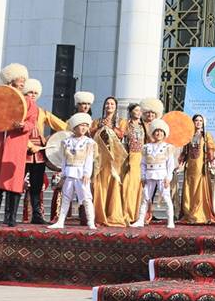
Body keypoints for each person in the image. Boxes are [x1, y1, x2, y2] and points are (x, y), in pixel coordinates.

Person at [0, 63, 39, 228]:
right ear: (11, 80)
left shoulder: (28, 102)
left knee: (13, 180)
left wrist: (22, 126)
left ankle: (10, 218)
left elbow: (32, 123)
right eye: (19, 78)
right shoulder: (0, 98)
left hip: (16, 144)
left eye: (24, 79)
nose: (23, 82)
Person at [21, 78, 67, 224]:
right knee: (16, 185)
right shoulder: (19, 111)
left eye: (35, 93)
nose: (32, 95)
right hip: (22, 151)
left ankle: (36, 215)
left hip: (39, 153)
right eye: (29, 92)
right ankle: (10, 216)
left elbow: (62, 125)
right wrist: (28, 145)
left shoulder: (42, 112)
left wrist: (77, 128)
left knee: (36, 186)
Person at [49, 113, 96, 230]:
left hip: (81, 174)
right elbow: (64, 160)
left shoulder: (89, 142)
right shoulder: (66, 142)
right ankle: (60, 221)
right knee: (65, 198)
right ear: (75, 127)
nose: (84, 128)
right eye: (81, 125)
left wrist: (87, 173)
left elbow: (89, 159)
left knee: (86, 198)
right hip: (69, 172)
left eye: (86, 125)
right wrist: (63, 175)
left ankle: (91, 222)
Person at [132, 118, 174, 229]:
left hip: (162, 175)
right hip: (150, 175)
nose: (158, 133)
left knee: (166, 197)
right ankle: (140, 220)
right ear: (153, 133)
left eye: (161, 131)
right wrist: (143, 175)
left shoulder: (168, 147)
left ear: (164, 133)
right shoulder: (146, 147)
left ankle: (170, 221)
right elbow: (143, 163)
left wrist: (169, 177)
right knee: (145, 197)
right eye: (156, 131)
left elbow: (170, 164)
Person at [91, 96, 126, 227]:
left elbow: (122, 134)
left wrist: (110, 127)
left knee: (113, 184)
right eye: (107, 103)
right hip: (100, 158)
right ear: (104, 106)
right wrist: (100, 126)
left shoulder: (121, 121)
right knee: (99, 185)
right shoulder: (97, 121)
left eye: (112, 104)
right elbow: (90, 134)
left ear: (116, 107)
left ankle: (113, 215)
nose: (109, 106)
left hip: (114, 158)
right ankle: (98, 216)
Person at [179, 114, 215, 224]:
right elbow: (184, 152)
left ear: (203, 123)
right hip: (190, 167)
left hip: (200, 166)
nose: (198, 122)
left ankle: (199, 213)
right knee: (189, 188)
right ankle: (188, 213)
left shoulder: (206, 135)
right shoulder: (189, 135)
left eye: (200, 121)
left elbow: (210, 150)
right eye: (196, 120)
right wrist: (180, 164)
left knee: (199, 189)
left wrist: (211, 162)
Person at [118, 102, 145, 225]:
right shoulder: (126, 125)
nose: (138, 112)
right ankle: (125, 214)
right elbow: (121, 139)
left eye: (140, 110)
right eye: (136, 110)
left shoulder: (143, 126)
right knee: (128, 187)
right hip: (129, 158)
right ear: (131, 112)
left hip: (141, 159)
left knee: (137, 187)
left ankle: (135, 215)